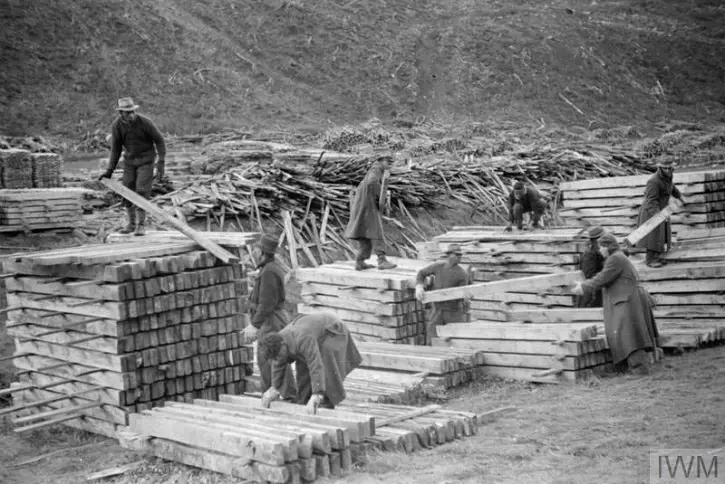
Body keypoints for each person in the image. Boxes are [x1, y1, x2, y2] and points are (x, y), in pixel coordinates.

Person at [572, 234, 662, 374]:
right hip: (626, 298)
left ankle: (639, 369)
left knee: (629, 333)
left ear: (608, 247)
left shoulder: (615, 259)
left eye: (602, 247)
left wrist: (583, 287)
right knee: (627, 332)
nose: (600, 250)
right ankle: (632, 366)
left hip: (628, 300)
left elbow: (602, 278)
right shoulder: (616, 257)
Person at [258, 312, 362, 414]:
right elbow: (278, 365)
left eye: (279, 355)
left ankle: (325, 404)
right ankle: (304, 403)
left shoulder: (302, 337)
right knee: (303, 371)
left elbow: (315, 365)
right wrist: (273, 389)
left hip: (332, 329)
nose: (278, 359)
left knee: (325, 363)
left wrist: (317, 394)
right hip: (312, 335)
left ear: (283, 345)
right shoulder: (278, 344)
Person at [98, 97, 167, 236]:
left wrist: (161, 162)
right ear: (121, 113)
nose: (131, 115)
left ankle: (141, 225)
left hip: (146, 160)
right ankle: (131, 224)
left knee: (142, 189)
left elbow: (159, 141)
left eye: (132, 112)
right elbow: (116, 149)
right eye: (127, 112)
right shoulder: (116, 126)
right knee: (127, 189)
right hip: (130, 161)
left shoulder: (145, 123)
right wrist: (109, 170)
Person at [242, 234, 296, 400]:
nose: (255, 253)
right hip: (270, 319)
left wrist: (254, 325)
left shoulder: (269, 272)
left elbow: (267, 303)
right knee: (267, 360)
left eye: (257, 249)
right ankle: (272, 394)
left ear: (262, 252)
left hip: (272, 320)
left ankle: (288, 396)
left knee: (276, 357)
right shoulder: (268, 269)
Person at [344, 155, 397, 271]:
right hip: (368, 205)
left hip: (364, 203)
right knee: (376, 230)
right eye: (388, 161)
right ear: (380, 160)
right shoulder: (376, 169)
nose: (390, 164)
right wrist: (381, 196)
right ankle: (382, 260)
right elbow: (372, 182)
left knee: (363, 232)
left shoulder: (377, 169)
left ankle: (360, 261)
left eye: (391, 162)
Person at [415, 244, 471, 344]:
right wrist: (419, 287)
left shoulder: (462, 274)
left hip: (454, 312)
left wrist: (466, 298)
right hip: (437, 311)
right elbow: (421, 273)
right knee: (432, 339)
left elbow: (464, 294)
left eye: (460, 255)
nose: (459, 257)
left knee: (457, 340)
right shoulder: (438, 267)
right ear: (449, 255)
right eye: (456, 255)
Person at [636, 161, 684, 268]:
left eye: (669, 168)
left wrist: (680, 197)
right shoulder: (653, 181)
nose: (667, 170)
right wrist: (658, 216)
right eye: (665, 168)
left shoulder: (668, 178)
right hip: (651, 210)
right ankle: (650, 261)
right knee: (653, 236)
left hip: (662, 209)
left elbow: (672, 189)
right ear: (660, 168)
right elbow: (651, 201)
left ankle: (657, 257)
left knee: (662, 235)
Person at [576, 226, 605, 308]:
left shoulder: (596, 251)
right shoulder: (589, 255)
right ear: (596, 240)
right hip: (591, 294)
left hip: (596, 290)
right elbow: (588, 275)